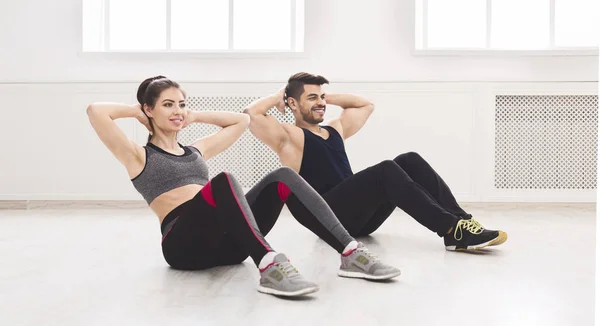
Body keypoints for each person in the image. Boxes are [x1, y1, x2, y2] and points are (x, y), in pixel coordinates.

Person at [86, 76, 400, 298]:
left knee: (282, 177)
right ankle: (269, 265)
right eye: (168, 104)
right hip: (183, 245)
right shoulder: (138, 156)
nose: (177, 110)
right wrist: (138, 113)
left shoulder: (197, 150)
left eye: (181, 103)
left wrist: (192, 116)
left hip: (229, 245)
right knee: (223, 180)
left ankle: (351, 253)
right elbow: (96, 112)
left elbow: (241, 121)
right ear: (149, 109)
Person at [244, 72, 508, 251]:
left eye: (322, 97)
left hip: (358, 216)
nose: (321, 103)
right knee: (385, 170)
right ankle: (450, 229)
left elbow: (365, 105)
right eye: (311, 98)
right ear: (292, 103)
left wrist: (323, 97)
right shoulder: (289, 137)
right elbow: (251, 114)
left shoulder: (334, 129)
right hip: (328, 217)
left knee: (409, 160)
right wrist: (282, 93)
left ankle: (462, 223)